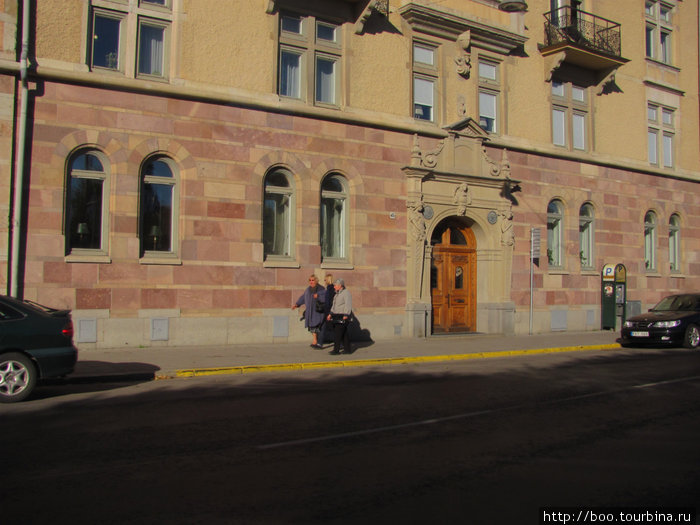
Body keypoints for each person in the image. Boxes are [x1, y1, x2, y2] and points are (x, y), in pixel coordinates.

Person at [292, 274, 326, 349]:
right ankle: (315, 340)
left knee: (320, 327)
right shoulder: (308, 289)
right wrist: (297, 304)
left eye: (313, 280)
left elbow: (325, 298)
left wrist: (319, 296)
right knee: (312, 326)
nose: (311, 282)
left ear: (316, 280)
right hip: (310, 311)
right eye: (310, 280)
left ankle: (319, 343)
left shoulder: (321, 289)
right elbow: (303, 297)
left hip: (319, 311)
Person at [327, 278, 352, 355]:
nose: (334, 287)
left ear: (340, 285)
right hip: (336, 315)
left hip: (342, 315)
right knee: (344, 333)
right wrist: (330, 313)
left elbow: (348, 304)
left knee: (337, 334)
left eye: (335, 285)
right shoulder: (337, 294)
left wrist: (346, 314)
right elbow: (334, 305)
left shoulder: (346, 293)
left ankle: (336, 350)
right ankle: (347, 349)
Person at [319, 274, 336, 347]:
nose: (324, 281)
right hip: (329, 310)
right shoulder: (330, 288)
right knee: (327, 327)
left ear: (328, 280)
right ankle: (319, 343)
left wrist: (329, 312)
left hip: (329, 311)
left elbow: (329, 301)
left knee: (333, 328)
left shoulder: (330, 289)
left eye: (325, 280)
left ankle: (341, 342)